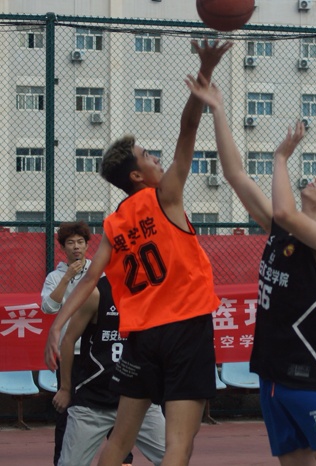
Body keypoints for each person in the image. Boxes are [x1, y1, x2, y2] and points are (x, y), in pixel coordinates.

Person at [44, 40, 231, 466]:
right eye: (148, 155)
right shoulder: (166, 196)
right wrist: (204, 73)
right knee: (179, 444)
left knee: (119, 442)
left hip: (142, 337)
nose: (157, 158)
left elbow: (90, 278)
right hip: (185, 327)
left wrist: (58, 323)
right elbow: (188, 130)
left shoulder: (115, 223)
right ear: (136, 175)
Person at [185, 75, 316, 466]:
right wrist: (217, 108)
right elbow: (235, 175)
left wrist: (281, 158)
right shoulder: (281, 228)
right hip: (272, 369)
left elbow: (285, 211)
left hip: (312, 370)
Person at [53, 276, 166, 465]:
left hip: (138, 400)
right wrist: (65, 388)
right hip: (94, 401)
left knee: (172, 457)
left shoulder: (149, 292)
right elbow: (68, 340)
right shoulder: (96, 293)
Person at [40, 221, 107, 465]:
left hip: (97, 354)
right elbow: (49, 307)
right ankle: (61, 460)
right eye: (71, 243)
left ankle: (124, 459)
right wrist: (67, 277)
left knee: (110, 406)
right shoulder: (55, 276)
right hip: (70, 354)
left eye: (80, 242)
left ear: (88, 245)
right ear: (63, 248)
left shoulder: (99, 273)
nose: (76, 247)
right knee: (65, 411)